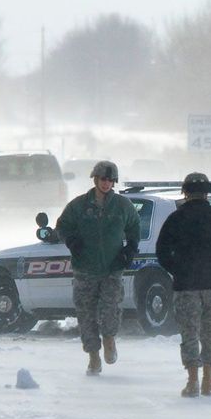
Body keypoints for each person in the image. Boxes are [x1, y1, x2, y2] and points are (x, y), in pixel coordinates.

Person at [155, 172, 211, 397]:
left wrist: (178, 270)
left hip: (186, 286)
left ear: (185, 192)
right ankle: (209, 380)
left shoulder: (175, 219)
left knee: (189, 333)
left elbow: (161, 252)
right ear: (207, 193)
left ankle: (192, 381)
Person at [56, 160, 140, 375]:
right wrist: (72, 241)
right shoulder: (79, 206)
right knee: (86, 313)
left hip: (112, 267)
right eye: (103, 179)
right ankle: (93, 356)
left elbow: (134, 228)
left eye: (110, 180)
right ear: (95, 179)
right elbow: (62, 226)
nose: (106, 183)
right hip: (85, 268)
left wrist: (130, 249)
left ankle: (110, 339)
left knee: (110, 307)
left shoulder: (122, 205)